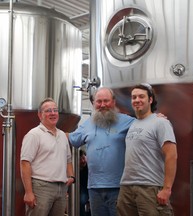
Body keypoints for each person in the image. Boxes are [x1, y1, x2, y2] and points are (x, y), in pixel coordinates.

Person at [68, 87, 135, 216]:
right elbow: (72, 139)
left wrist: (155, 117)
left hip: (119, 187)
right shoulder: (87, 124)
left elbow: (144, 126)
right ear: (93, 104)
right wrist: (52, 131)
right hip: (94, 188)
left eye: (106, 101)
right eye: (99, 101)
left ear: (114, 102)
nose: (102, 105)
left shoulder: (127, 121)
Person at [117, 84, 178, 216]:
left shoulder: (160, 122)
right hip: (127, 187)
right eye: (134, 97)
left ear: (150, 100)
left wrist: (167, 189)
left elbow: (171, 155)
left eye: (141, 96)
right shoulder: (133, 124)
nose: (137, 100)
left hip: (150, 187)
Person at [20, 98, 75, 216]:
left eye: (55, 110)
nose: (53, 113)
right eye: (48, 110)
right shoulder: (34, 135)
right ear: (40, 115)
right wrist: (28, 192)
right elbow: (25, 163)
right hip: (41, 187)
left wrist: (71, 176)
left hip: (61, 188)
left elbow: (68, 160)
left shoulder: (62, 135)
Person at [79, 149, 91, 216]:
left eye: (83, 158)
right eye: (80, 159)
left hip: (89, 188)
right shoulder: (76, 169)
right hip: (81, 189)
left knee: (82, 201)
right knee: (81, 202)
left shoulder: (89, 167)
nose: (83, 161)